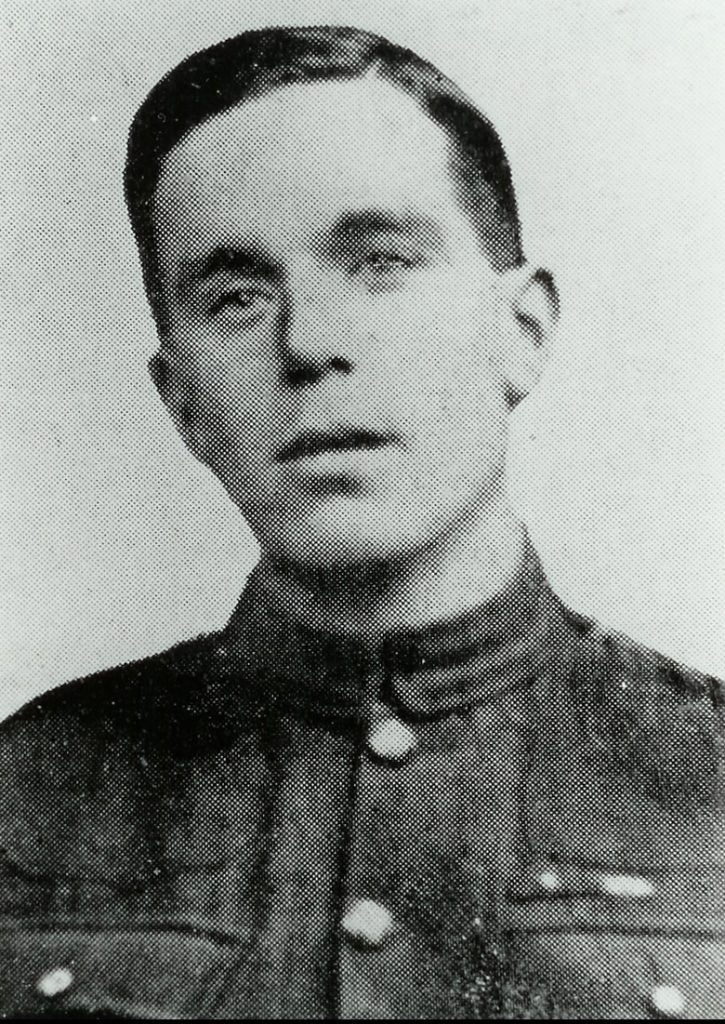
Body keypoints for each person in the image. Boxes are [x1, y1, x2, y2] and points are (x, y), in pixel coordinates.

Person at [0, 25, 722, 1020]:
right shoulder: (28, 792)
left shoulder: (707, 776)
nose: (311, 343)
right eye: (237, 295)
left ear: (520, 332)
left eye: (379, 262)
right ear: (183, 403)